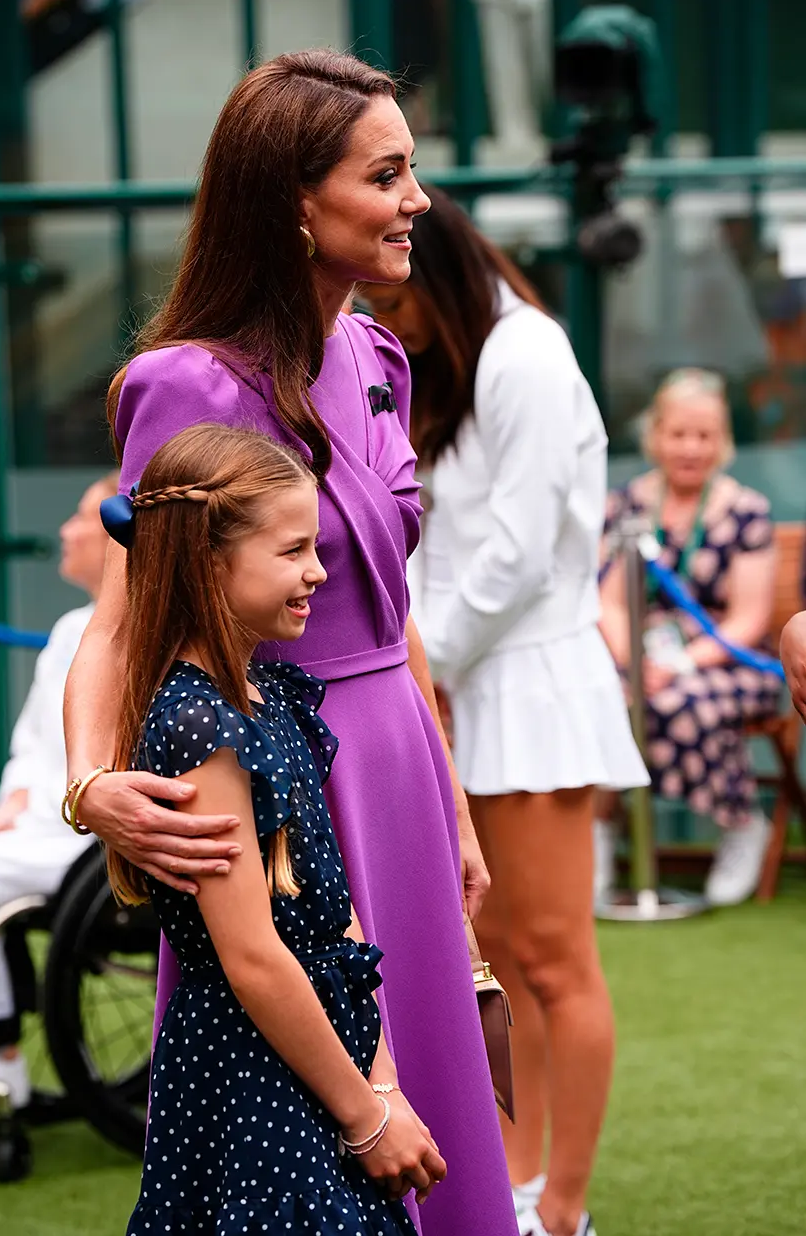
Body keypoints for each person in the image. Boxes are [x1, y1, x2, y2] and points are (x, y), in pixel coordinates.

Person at [62, 49, 517, 1236]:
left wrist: (450, 797)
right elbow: (122, 614)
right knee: (297, 1131)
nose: (418, 199)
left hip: (400, 777)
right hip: (271, 789)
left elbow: (390, 601)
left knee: (433, 1089)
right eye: (387, 174)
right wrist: (90, 782)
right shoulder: (183, 384)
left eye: (411, 170)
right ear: (294, 202)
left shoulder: (379, 358)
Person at [361, 187, 647, 1236]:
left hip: (527, 688)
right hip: (460, 687)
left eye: (396, 302)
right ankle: (517, 1188)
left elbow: (521, 553)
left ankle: (563, 1207)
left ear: (432, 269)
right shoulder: (454, 366)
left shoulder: (523, 354)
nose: (388, 326)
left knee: (552, 958)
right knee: (489, 961)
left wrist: (419, 673)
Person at [91, 424, 445, 1234]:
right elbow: (252, 956)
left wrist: (381, 1080)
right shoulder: (200, 727)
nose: (318, 572)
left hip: (331, 1053)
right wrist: (365, 1118)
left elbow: (335, 912)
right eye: (292, 552)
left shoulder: (274, 697)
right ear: (210, 562)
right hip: (256, 1073)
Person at [599, 368, 781, 906]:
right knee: (599, 699)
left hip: (724, 659)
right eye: (679, 433)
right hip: (636, 656)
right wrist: (635, 661)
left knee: (682, 702)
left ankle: (740, 822)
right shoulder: (625, 506)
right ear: (655, 435)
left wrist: (678, 665)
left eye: (704, 436)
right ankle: (601, 832)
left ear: (722, 441)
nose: (690, 447)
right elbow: (605, 601)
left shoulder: (746, 511)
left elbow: (747, 620)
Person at [0, 471, 116, 1112]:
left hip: (87, 841)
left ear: (119, 534)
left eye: (81, 517)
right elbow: (32, 745)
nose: (64, 530)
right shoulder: (68, 630)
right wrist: (9, 804)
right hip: (39, 822)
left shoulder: (141, 632)